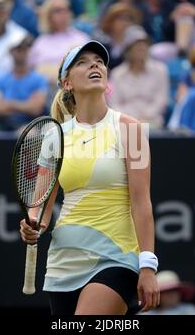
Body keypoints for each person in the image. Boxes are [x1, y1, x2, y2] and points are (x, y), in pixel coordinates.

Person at [20, 40, 160, 315]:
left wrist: (148, 265)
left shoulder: (131, 130)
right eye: (82, 62)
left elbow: (142, 203)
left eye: (98, 60)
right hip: (64, 261)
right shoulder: (54, 136)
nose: (94, 64)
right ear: (67, 83)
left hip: (116, 257)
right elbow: (41, 208)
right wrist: (33, 224)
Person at [0, 34, 48, 134]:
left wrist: (8, 104)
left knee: (26, 134)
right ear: (10, 51)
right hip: (2, 124)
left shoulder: (39, 79)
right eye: (18, 48)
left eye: (25, 48)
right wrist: (24, 106)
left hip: (29, 123)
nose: (22, 51)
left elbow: (36, 108)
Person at [110, 24, 169, 128]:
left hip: (152, 121)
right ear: (127, 50)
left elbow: (161, 100)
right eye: (136, 45)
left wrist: (145, 117)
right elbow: (114, 104)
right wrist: (131, 119)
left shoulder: (160, 70)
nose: (141, 47)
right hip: (124, 122)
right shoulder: (117, 74)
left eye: (143, 44)